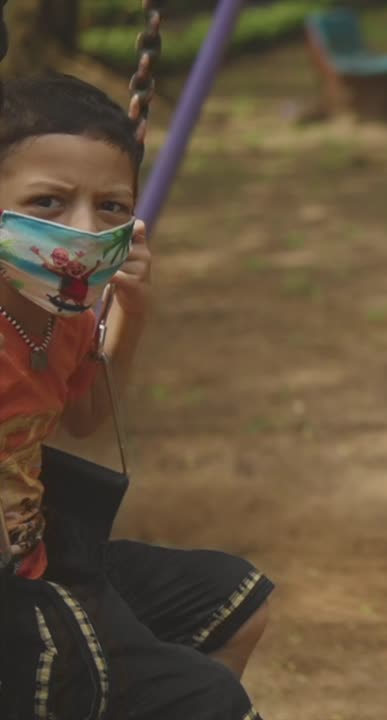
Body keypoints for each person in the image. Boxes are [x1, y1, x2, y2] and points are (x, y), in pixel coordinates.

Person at [0, 73, 273, 719]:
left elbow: (88, 416)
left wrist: (131, 312)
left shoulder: (59, 308)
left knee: (234, 601)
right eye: (48, 202)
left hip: (45, 555)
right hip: (13, 595)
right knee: (210, 702)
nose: (84, 229)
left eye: (112, 207)